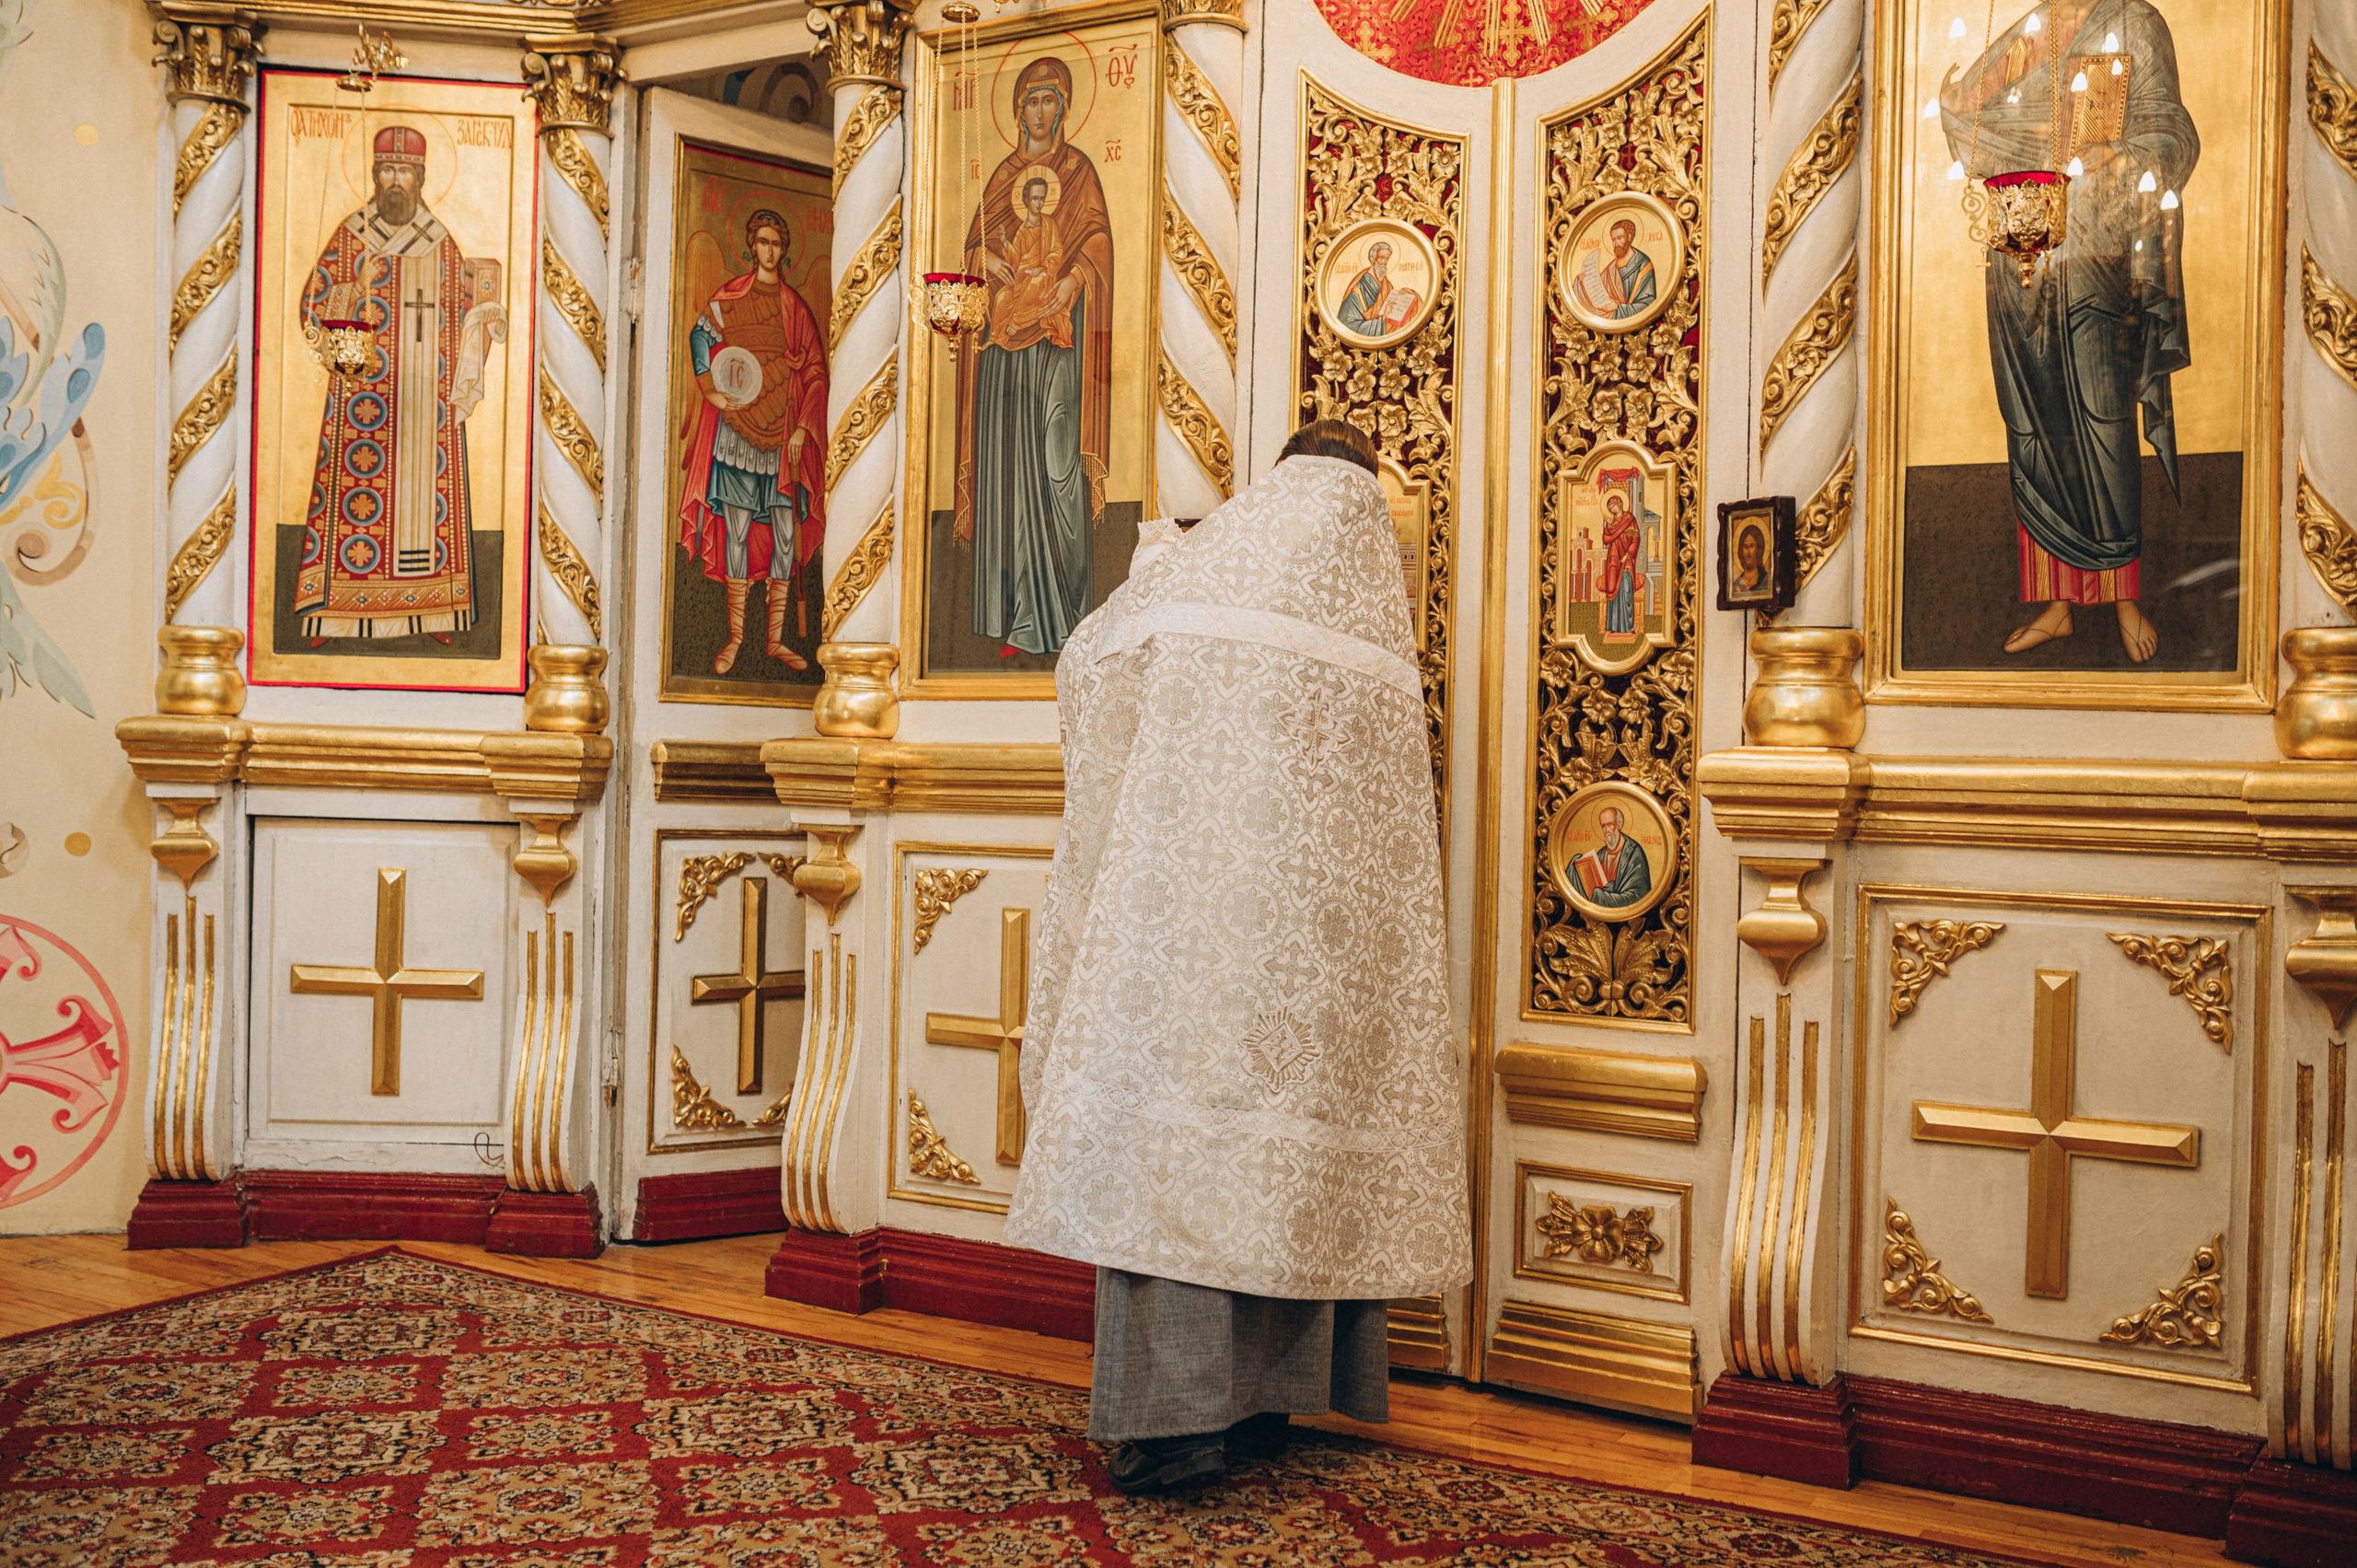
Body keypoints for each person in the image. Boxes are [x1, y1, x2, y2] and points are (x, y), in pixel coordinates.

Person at [1005, 417, 1469, 1495]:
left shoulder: (1211, 564)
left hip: (1194, 938)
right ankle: (1263, 1401)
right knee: (1286, 1167)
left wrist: (1159, 565)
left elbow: (1087, 664)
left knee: (1184, 1164)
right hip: (1325, 955)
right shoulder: (1372, 617)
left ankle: (1174, 1426)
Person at [1938, 0, 2197, 663]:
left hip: (2096, 248)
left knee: (2100, 419)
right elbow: (1971, 125)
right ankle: (2058, 605)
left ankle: (2123, 596)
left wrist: (2124, 154)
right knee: (2036, 422)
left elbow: (2172, 134)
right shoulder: (2029, 33)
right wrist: (1957, 108)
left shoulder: (2134, 23)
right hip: (2018, 244)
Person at [296, 124, 507, 646]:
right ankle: (332, 610)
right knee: (354, 500)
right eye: (386, 170)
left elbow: (463, 311)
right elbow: (313, 309)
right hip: (360, 404)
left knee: (429, 502)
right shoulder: (352, 236)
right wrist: (354, 289)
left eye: (405, 172)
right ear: (373, 173)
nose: (395, 182)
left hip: (427, 402)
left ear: (421, 177)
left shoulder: (439, 240)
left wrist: (480, 312)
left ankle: (436, 610)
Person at [956, 57, 1112, 659]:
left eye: (1050, 100)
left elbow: (1097, 241)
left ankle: (1069, 612)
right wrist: (985, 264)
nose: (1040, 111)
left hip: (1056, 341)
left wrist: (1074, 279)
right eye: (1030, 101)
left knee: (1053, 461)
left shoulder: (1079, 174)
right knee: (1007, 470)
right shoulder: (1002, 180)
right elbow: (978, 248)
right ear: (1017, 110)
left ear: (1065, 108)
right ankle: (1017, 617)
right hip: (1004, 348)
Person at [679, 209, 829, 674]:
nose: (769, 251)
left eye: (776, 244)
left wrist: (804, 426)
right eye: (761, 242)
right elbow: (699, 337)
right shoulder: (730, 298)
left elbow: (816, 371)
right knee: (738, 534)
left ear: (784, 250)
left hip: (782, 438)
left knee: (785, 533)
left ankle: (775, 641)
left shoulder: (794, 308)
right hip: (739, 435)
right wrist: (709, 390)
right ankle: (737, 638)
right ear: (751, 247)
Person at [1573, 217, 1657, 321]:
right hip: (1610, 316)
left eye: (1620, 238)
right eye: (1613, 239)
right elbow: (1599, 289)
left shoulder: (1643, 265)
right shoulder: (1612, 266)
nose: (1616, 243)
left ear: (1629, 237)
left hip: (1628, 318)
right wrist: (1583, 283)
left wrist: (1618, 306)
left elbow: (1648, 304)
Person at [1574, 805, 1652, 909]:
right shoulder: (1601, 853)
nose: (1606, 830)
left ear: (1619, 824)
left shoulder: (1633, 852)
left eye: (1609, 825)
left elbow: (1639, 895)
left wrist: (1600, 895)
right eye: (1603, 826)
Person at [1599, 492, 1643, 635]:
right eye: (1610, 507)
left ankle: (1629, 627)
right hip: (1613, 559)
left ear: (1620, 504)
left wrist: (1628, 555)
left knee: (1626, 590)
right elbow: (1606, 539)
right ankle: (1612, 626)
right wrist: (1608, 525)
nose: (1613, 509)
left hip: (1625, 561)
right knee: (1613, 591)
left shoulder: (1629, 519)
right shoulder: (1612, 524)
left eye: (1614, 505)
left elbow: (1635, 539)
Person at [1335, 240, 1398, 338]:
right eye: (1381, 258)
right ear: (1373, 259)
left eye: (1387, 259)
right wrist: (1382, 318)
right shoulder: (1359, 288)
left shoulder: (1386, 284)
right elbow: (1347, 326)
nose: (1384, 262)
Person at [1732, 523, 1768, 596]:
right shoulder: (1735, 585)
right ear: (1741, 551)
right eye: (1745, 547)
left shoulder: (1766, 580)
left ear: (1758, 549)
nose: (1748, 552)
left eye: (1752, 546)